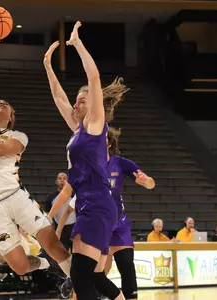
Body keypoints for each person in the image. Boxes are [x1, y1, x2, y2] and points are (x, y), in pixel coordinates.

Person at [0, 28, 72, 281]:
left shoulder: (18, 136)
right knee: (20, 267)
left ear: (11, 118)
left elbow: (0, 149)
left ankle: (83, 285)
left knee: (53, 244)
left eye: (6, 105)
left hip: (16, 196)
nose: (1, 103)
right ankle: (44, 264)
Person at [43, 21, 126, 300]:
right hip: (91, 202)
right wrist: (48, 67)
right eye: (76, 101)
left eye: (81, 100)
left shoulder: (95, 124)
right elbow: (58, 99)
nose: (76, 104)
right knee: (91, 276)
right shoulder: (79, 130)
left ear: (94, 104)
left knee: (80, 275)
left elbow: (94, 77)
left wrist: (77, 44)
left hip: (98, 201)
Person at [54, 128, 154, 300]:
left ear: (108, 143)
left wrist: (146, 182)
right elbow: (66, 194)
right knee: (95, 275)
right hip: (97, 222)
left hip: (118, 223)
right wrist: (51, 219)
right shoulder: (86, 164)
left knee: (126, 266)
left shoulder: (120, 163)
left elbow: (151, 183)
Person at [45, 172, 76, 251]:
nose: (62, 180)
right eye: (60, 178)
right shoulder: (51, 197)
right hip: (60, 230)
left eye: (64, 178)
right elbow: (48, 215)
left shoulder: (74, 196)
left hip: (74, 229)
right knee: (62, 256)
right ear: (56, 182)